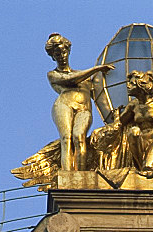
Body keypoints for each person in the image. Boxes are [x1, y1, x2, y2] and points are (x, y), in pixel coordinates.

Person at [45, 33, 114, 171]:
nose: (61, 56)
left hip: (84, 109)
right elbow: (70, 79)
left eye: (63, 52)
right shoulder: (52, 74)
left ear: (68, 51)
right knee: (66, 138)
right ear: (53, 56)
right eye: (57, 54)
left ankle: (81, 175)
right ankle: (67, 174)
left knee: (79, 136)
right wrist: (96, 69)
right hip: (64, 105)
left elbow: (102, 97)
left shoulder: (88, 79)